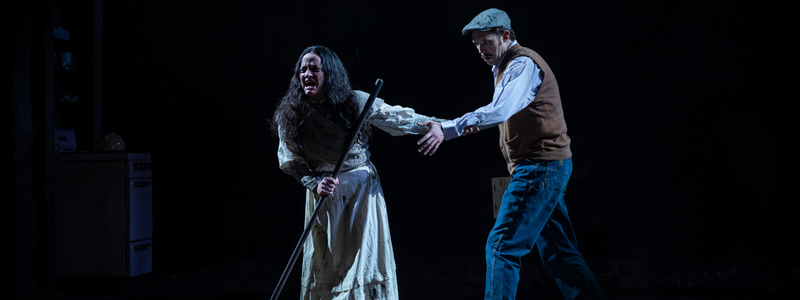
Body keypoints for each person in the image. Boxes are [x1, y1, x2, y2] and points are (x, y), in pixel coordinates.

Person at [417, 8, 606, 300]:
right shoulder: (507, 66)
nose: (481, 50)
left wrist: (448, 128)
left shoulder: (521, 64)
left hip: (539, 168)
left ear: (505, 36)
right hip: (546, 167)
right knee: (559, 250)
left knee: (501, 247)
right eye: (477, 45)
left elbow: (500, 111)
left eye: (486, 42)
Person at [272, 45, 444, 300]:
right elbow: (290, 160)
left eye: (314, 68)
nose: (307, 73)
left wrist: (436, 125)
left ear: (329, 73)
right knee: (329, 267)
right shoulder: (291, 114)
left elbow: (396, 117)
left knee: (364, 263)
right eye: (302, 69)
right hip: (325, 197)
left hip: (361, 195)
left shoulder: (356, 102)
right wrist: (314, 182)